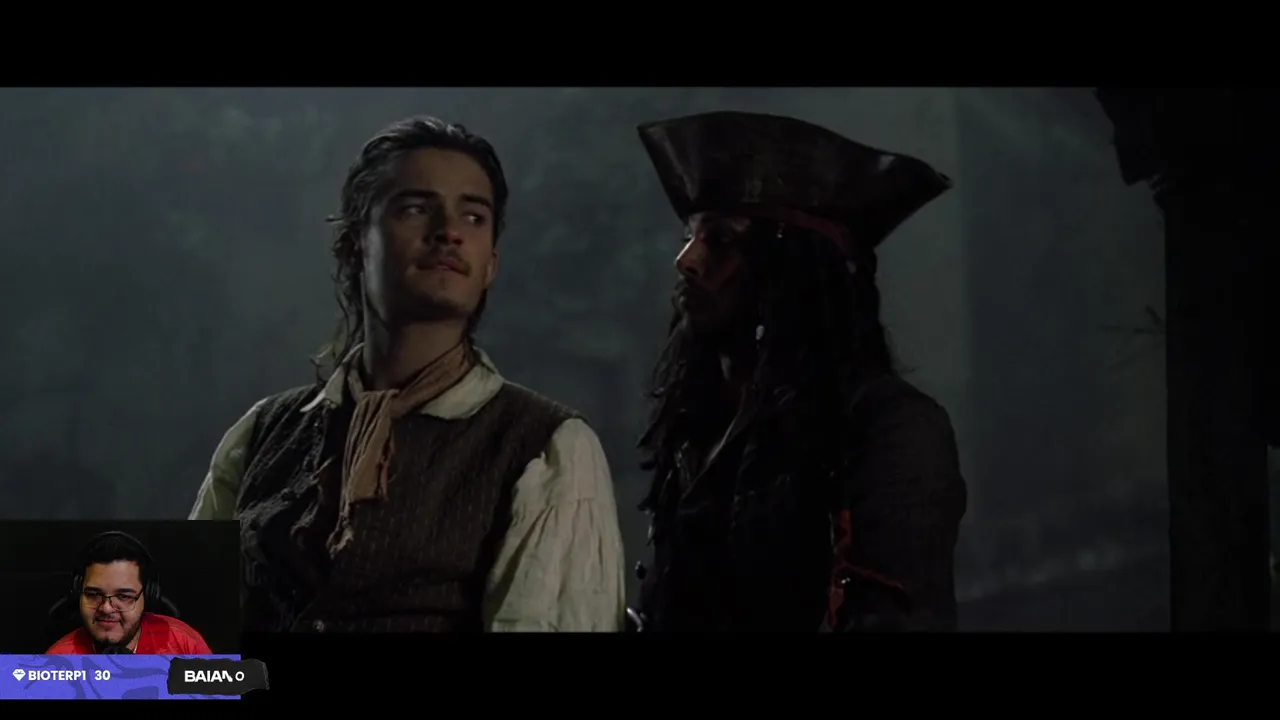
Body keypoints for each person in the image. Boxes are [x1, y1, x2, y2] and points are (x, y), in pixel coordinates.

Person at [189, 116, 625, 633]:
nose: (449, 232)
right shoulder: (262, 433)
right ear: (354, 245)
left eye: (474, 216)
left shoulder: (543, 448)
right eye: (416, 208)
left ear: (490, 263)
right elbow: (179, 643)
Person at [631, 111, 967, 632]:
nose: (686, 260)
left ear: (791, 273)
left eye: (721, 240)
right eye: (690, 236)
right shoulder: (700, 427)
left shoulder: (887, 428)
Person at [47, 531, 212, 654]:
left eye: (123, 596)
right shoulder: (57, 662)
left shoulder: (185, 644)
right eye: (93, 595)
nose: (106, 608)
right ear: (78, 594)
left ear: (147, 596)